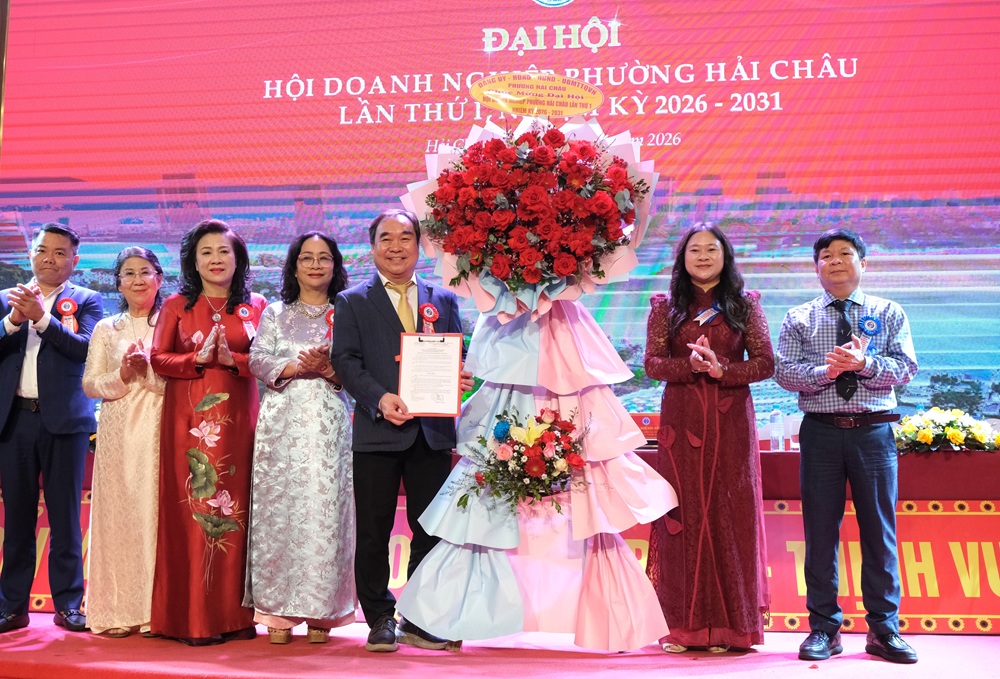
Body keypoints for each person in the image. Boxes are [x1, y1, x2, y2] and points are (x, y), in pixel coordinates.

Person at [775, 228, 918, 664]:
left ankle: (884, 630)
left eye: (844, 253)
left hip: (873, 432)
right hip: (820, 432)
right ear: (816, 267)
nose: (835, 261)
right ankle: (824, 628)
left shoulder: (888, 312)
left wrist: (864, 363)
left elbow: (906, 367)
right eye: (826, 256)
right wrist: (828, 372)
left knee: (879, 532)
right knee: (820, 533)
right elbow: (785, 373)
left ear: (863, 263)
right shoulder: (799, 317)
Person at [331, 208, 472, 653]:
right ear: (373, 246)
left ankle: (418, 616)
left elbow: (454, 354)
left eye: (405, 237)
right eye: (386, 238)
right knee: (374, 531)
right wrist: (378, 398)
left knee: (429, 529)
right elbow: (345, 361)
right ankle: (378, 617)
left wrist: (457, 376)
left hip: (431, 431)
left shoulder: (443, 299)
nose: (396, 246)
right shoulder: (352, 300)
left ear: (419, 244)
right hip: (378, 431)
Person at [643, 223, 774, 653]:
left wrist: (723, 370)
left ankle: (729, 629)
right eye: (694, 250)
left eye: (711, 249)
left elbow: (765, 363)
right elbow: (653, 364)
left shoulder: (745, 304)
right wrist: (691, 367)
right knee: (682, 517)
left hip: (731, 421)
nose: (702, 256)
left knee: (729, 516)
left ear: (725, 256)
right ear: (683, 258)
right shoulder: (666, 306)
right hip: (681, 422)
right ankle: (684, 628)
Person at [149, 219, 267, 645]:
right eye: (206, 252)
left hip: (240, 424)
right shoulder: (176, 305)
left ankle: (234, 616)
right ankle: (192, 620)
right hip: (189, 424)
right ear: (194, 261)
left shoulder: (257, 305)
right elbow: (158, 357)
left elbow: (269, 362)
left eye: (224, 251)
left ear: (238, 259)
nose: (216, 259)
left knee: (236, 512)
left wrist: (236, 360)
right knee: (193, 508)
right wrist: (195, 359)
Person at [244, 232, 355, 644]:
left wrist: (328, 369)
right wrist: (296, 366)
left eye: (324, 258)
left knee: (325, 511)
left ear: (335, 266)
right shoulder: (275, 312)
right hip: (281, 426)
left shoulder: (347, 313)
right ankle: (278, 612)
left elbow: (359, 371)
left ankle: (322, 611)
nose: (315, 265)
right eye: (306, 258)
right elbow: (257, 359)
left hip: (329, 425)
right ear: (293, 266)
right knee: (280, 512)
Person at [0, 223, 103, 634]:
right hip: (14, 420)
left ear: (74, 261)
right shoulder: (5, 299)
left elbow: (85, 351)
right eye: (43, 250)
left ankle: (69, 604)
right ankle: (12, 606)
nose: (50, 258)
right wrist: (12, 321)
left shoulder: (88, 300)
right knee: (17, 518)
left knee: (64, 518)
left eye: (61, 253)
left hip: (66, 423)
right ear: (31, 255)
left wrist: (42, 320)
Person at [82, 247, 166, 638]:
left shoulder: (171, 323)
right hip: (116, 430)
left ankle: (155, 611)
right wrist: (123, 374)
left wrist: (145, 371)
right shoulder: (106, 328)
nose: (137, 280)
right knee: (117, 517)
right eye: (128, 273)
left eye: (145, 272)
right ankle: (115, 609)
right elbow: (90, 384)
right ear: (118, 283)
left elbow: (181, 381)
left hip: (158, 426)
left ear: (159, 278)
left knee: (153, 515)